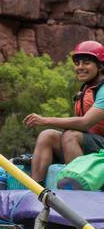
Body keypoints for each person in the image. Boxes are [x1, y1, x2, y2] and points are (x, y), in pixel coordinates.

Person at [23, 40, 104, 185]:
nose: (80, 67)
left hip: (101, 149)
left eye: (86, 63)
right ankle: (36, 189)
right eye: (77, 63)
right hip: (93, 144)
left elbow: (85, 123)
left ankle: (78, 188)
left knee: (70, 135)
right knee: (47, 135)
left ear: (100, 66)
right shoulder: (85, 89)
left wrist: (45, 120)